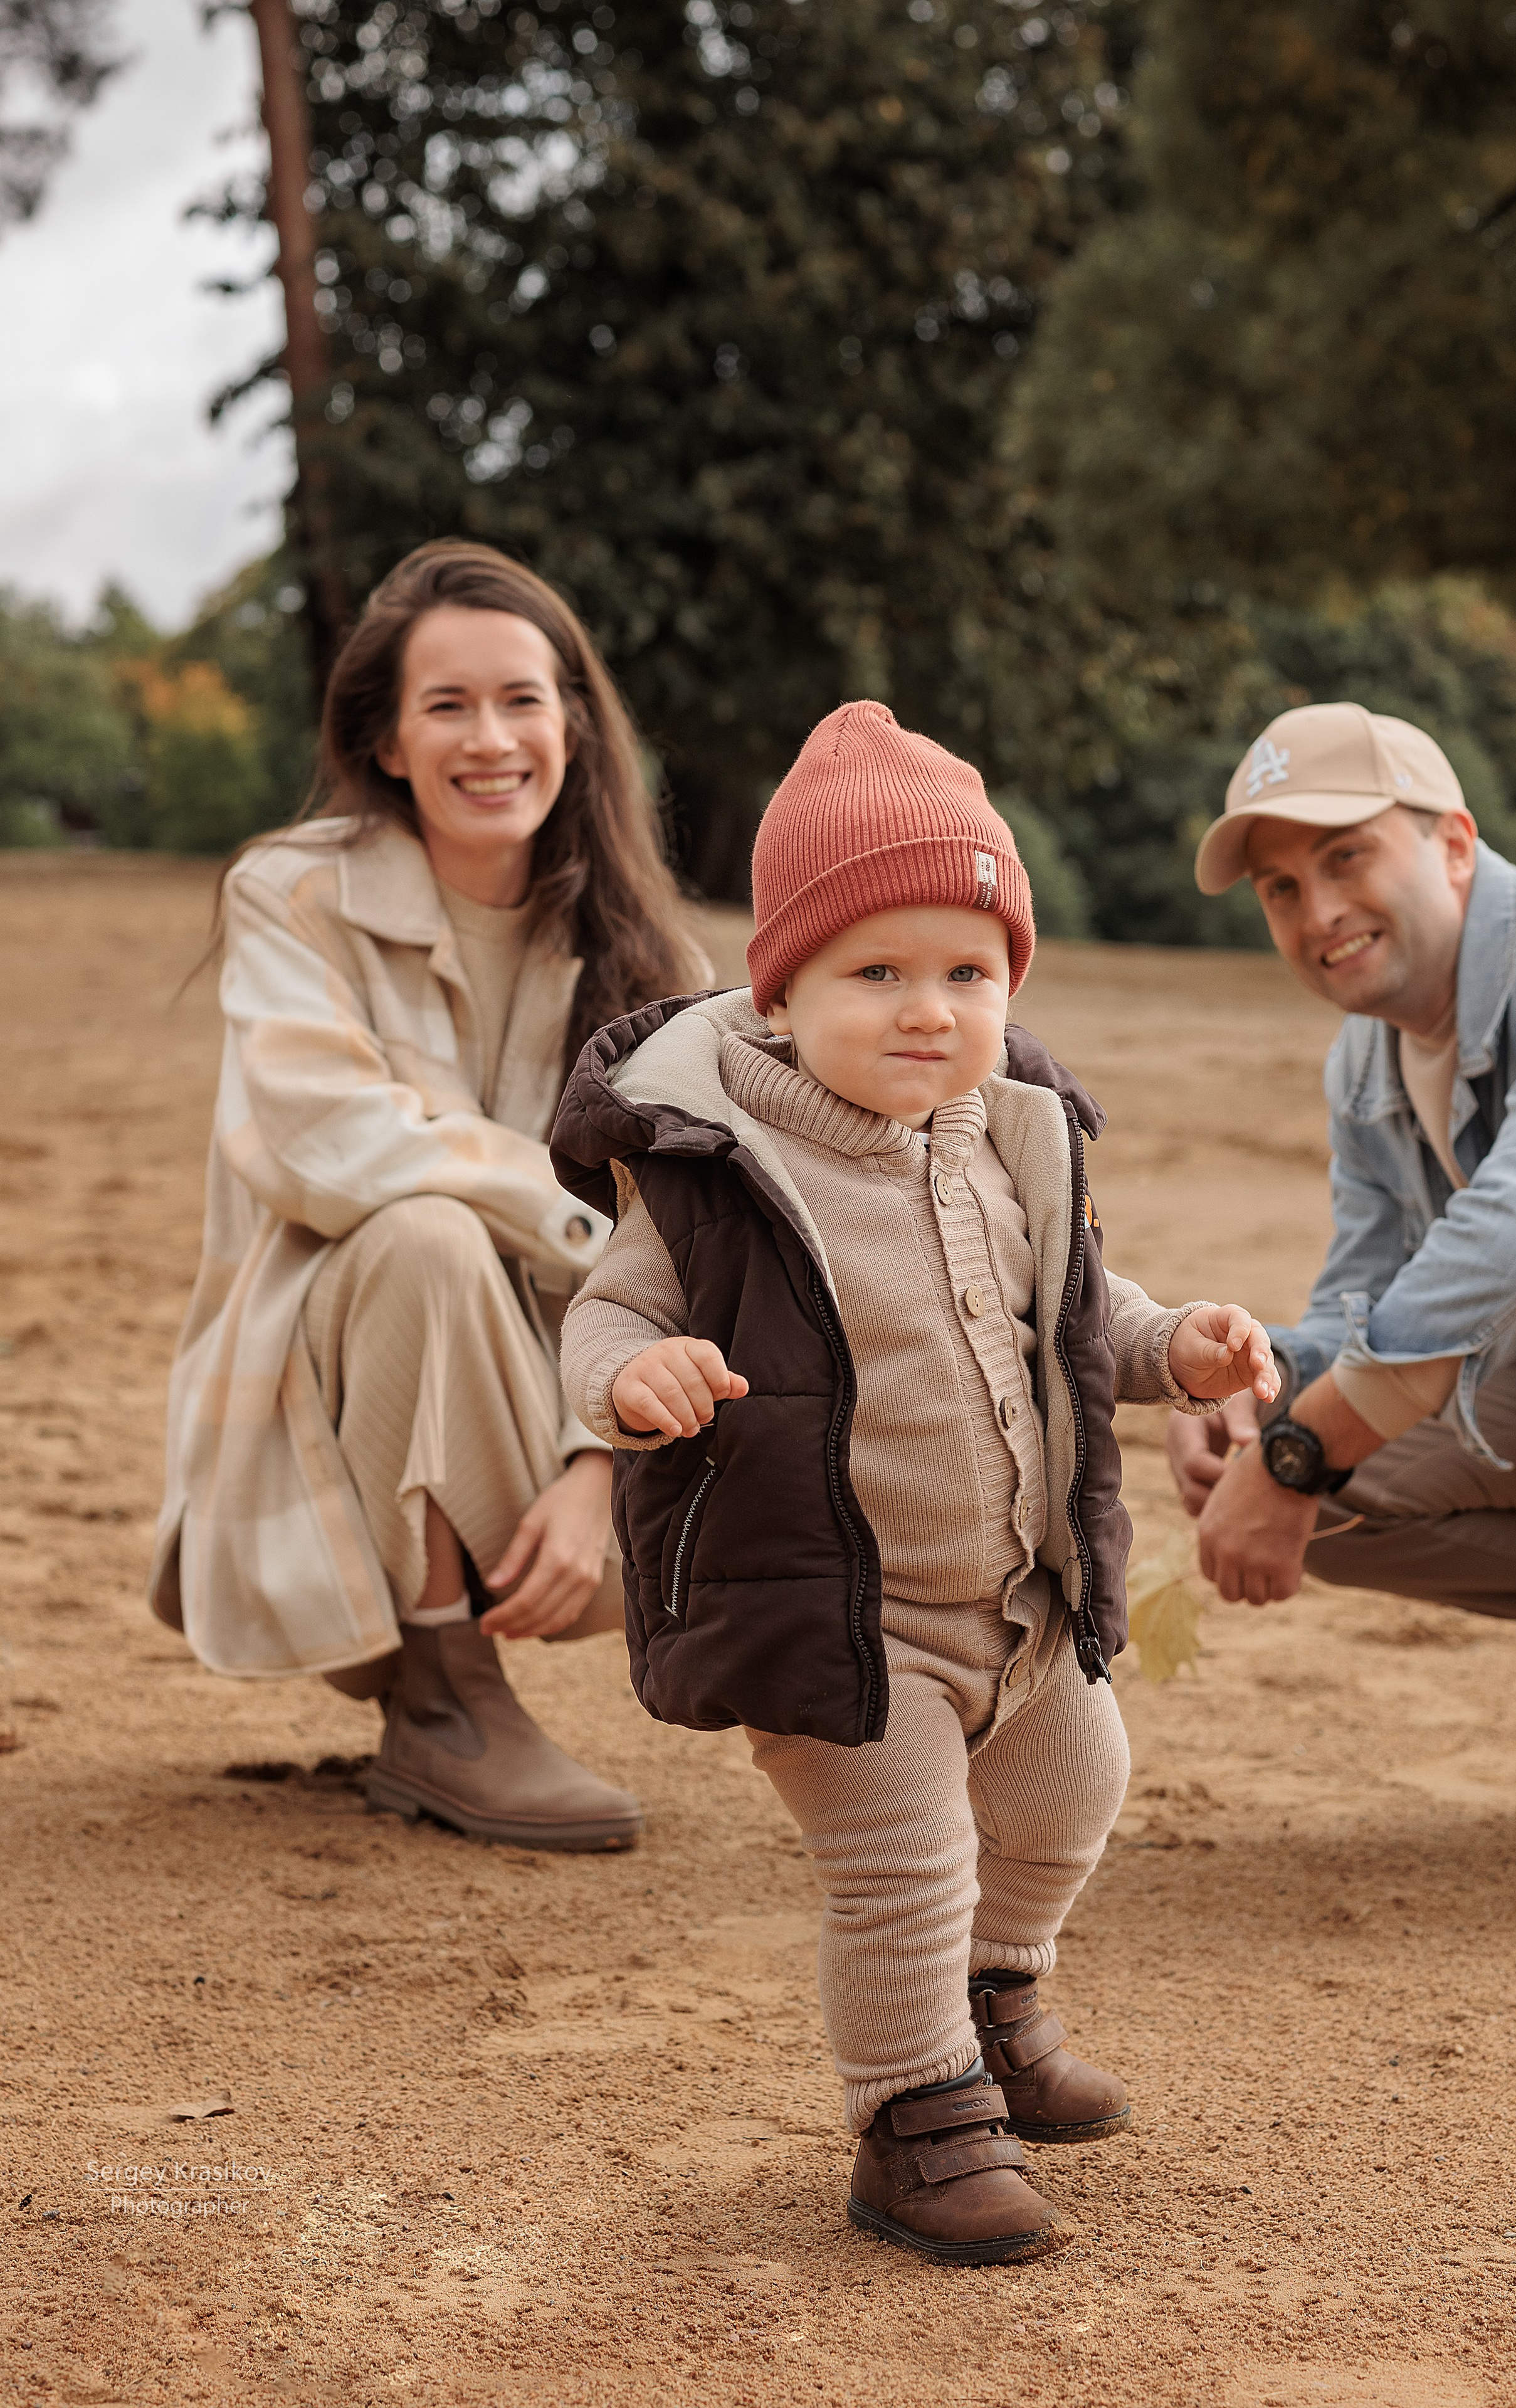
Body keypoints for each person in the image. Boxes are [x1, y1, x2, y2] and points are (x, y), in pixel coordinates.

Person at [550, 700, 1279, 2264]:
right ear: (785, 985)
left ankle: (993, 1999)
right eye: (873, 973)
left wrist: (1184, 1350)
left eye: (966, 972)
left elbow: (1078, 1313)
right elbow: (609, 1308)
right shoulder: (715, 1164)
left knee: (1073, 1787)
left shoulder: (1003, 1137)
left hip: (1012, 1599)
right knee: (900, 1862)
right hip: (839, 1613)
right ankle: (911, 2117)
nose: (927, 1011)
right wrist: (629, 1380)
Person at [149, 541, 707, 1851]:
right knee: (422, 1232)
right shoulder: (293, 895)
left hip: (561, 1438)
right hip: (328, 1417)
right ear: (387, 742)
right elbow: (325, 1142)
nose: (490, 738)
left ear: (572, 722)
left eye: (521, 699)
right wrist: (571, 1218)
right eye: (445, 705)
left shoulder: (650, 957)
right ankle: (447, 1702)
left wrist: (594, 1469)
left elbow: (691, 1245)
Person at [1165, 699, 1516, 1634]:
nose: (1318, 911)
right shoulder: (1368, 1062)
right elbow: (1363, 1295)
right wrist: (1262, 1386)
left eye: (1345, 857)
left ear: (1454, 843)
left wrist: (1300, 1450)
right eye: (1280, 887)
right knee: (1330, 1498)